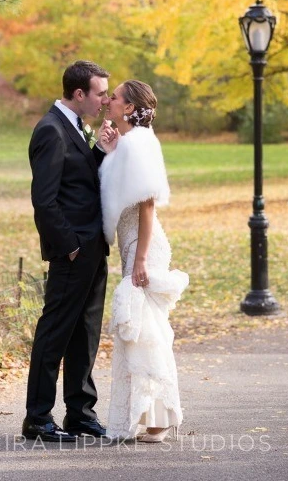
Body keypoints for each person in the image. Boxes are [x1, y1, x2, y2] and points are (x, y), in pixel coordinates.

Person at [23, 61, 111, 444]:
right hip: (73, 252)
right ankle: (37, 418)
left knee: (85, 334)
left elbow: (79, 182)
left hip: (94, 249)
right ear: (79, 94)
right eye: (100, 93)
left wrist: (101, 152)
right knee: (55, 332)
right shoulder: (50, 130)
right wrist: (71, 247)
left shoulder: (76, 129)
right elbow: (44, 201)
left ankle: (80, 413)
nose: (105, 100)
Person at [98, 80, 188, 443]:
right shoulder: (129, 143)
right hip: (131, 246)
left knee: (144, 332)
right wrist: (108, 151)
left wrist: (140, 259)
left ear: (130, 108)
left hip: (143, 248)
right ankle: (149, 418)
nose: (108, 100)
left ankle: (161, 418)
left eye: (115, 97)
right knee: (140, 331)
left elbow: (147, 203)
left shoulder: (139, 144)